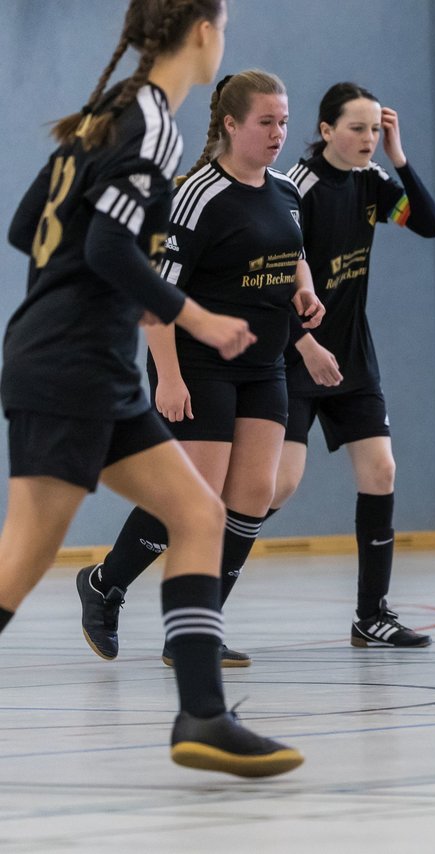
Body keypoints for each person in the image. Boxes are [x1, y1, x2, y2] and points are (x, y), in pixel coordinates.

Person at [1, 0, 301, 775]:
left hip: (83, 359)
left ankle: (202, 717)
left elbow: (26, 223)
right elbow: (106, 244)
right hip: (71, 363)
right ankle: (202, 712)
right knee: (23, 559)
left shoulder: (106, 112)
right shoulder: (154, 123)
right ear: (203, 31)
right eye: (224, 26)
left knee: (199, 514)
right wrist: (195, 317)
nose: (222, 40)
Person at [76, 69, 321, 668]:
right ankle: (104, 585)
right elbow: (155, 297)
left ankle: (197, 630)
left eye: (284, 122)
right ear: (231, 124)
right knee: (198, 496)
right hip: (197, 363)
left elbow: (293, 254)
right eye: (266, 122)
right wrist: (171, 377)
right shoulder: (197, 196)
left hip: (264, 365)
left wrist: (304, 293)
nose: (278, 134)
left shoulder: (286, 190)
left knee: (252, 496)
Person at [269, 82, 435, 648]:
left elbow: (427, 223)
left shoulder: (372, 183)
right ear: (325, 131)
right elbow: (272, 280)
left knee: (381, 472)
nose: (368, 139)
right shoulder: (298, 188)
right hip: (294, 357)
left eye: (375, 129)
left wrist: (400, 156)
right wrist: (305, 343)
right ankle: (200, 602)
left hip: (352, 359)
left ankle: (372, 616)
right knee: (275, 489)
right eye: (357, 128)